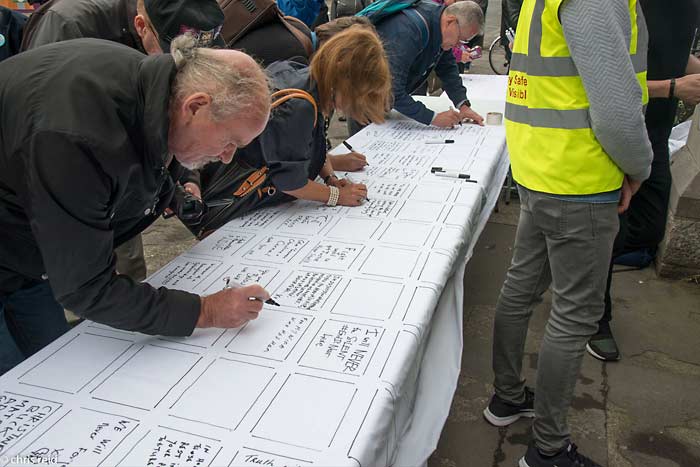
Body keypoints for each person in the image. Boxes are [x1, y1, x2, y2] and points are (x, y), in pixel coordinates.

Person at [0, 35, 271, 376]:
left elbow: (144, 153)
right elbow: (86, 287)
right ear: (196, 106)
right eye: (230, 141)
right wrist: (205, 311)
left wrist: (171, 193)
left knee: (54, 365)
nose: (228, 156)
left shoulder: (150, 87)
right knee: (13, 386)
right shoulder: (77, 137)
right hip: (17, 240)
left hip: (29, 250)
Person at [482, 0, 653, 466]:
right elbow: (617, 111)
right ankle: (549, 450)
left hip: (541, 165)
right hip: (580, 176)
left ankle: (507, 397)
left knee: (521, 288)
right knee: (576, 314)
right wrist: (639, 168)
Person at [20, 0, 226, 282]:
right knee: (79, 281)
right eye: (178, 57)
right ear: (142, 27)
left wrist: (187, 176)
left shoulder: (176, 30)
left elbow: (176, 113)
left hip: (128, 174)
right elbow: (39, 122)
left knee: (129, 268)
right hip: (66, 180)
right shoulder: (70, 24)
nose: (187, 72)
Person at [187, 26, 392, 235]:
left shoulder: (303, 76)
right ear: (345, 78)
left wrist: (330, 177)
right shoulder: (299, 106)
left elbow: (312, 144)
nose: (359, 103)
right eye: (361, 94)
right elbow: (290, 183)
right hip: (230, 203)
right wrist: (336, 196)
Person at [587, 0, 700, 362]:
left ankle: (575, 267)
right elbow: (604, 84)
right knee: (611, 231)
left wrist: (691, 72)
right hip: (620, 136)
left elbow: (672, 52)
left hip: (657, 135)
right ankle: (595, 318)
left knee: (649, 229)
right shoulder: (622, 5)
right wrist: (673, 87)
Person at [231, 15, 377, 172]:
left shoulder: (301, 33)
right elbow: (280, 152)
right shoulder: (294, 59)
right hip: (233, 153)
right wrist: (334, 188)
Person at [357, 0, 485, 134]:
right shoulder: (408, 31)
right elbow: (392, 90)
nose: (459, 46)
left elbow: (447, 68)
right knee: (364, 148)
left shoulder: (439, 24)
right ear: (450, 21)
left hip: (382, 100)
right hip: (363, 97)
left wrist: (463, 105)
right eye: (461, 39)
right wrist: (433, 118)